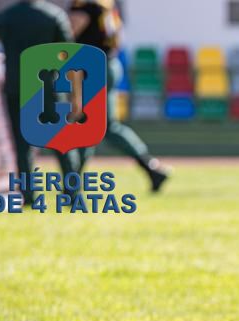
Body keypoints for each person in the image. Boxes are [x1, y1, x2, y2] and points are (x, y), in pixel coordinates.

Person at [0, 0, 82, 206]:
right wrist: (76, 95)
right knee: (63, 142)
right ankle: (72, 195)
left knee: (21, 145)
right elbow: (70, 57)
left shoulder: (5, 16)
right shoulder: (54, 16)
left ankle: (27, 197)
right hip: (48, 89)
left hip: (16, 88)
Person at [68, 0, 170, 192]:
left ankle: (72, 182)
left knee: (87, 125)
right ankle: (151, 168)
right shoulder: (104, 5)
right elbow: (116, 39)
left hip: (94, 68)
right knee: (104, 126)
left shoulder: (84, 7)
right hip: (108, 64)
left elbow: (68, 37)